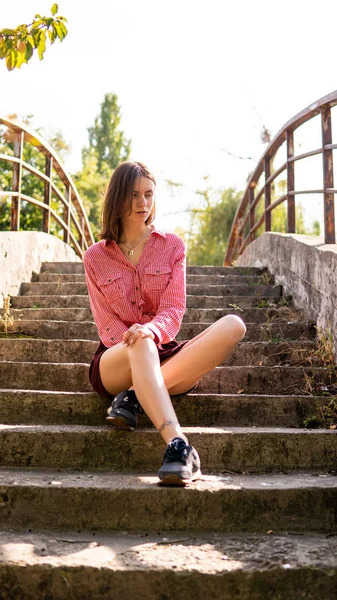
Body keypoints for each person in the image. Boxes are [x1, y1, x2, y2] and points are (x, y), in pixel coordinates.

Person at [83, 161, 246, 486]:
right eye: (133, 195)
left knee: (234, 325)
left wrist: (152, 332)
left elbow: (174, 309)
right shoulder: (95, 256)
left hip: (164, 351)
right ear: (117, 198)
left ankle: (134, 395)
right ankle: (178, 444)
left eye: (148, 194)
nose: (143, 203)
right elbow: (106, 323)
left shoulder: (172, 246)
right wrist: (138, 340)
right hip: (115, 359)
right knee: (139, 342)